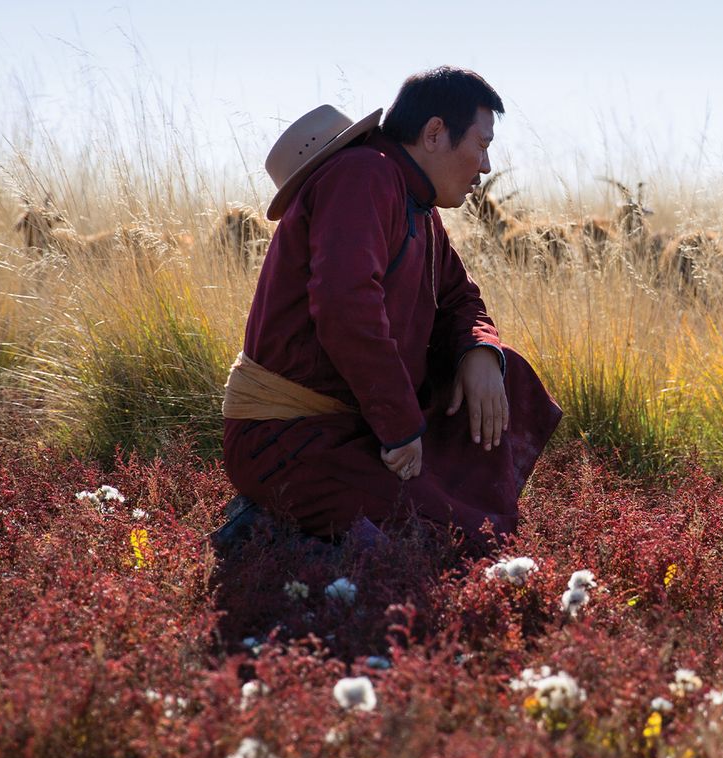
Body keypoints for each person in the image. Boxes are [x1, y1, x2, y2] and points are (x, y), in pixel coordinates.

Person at [219, 67, 561, 557]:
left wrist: (481, 353)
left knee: (512, 377)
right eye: (482, 145)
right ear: (435, 133)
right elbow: (345, 307)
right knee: (448, 537)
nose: (485, 166)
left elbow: (461, 299)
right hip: (288, 437)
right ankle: (270, 538)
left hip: (356, 425)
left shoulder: (415, 203)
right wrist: (400, 428)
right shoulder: (362, 175)